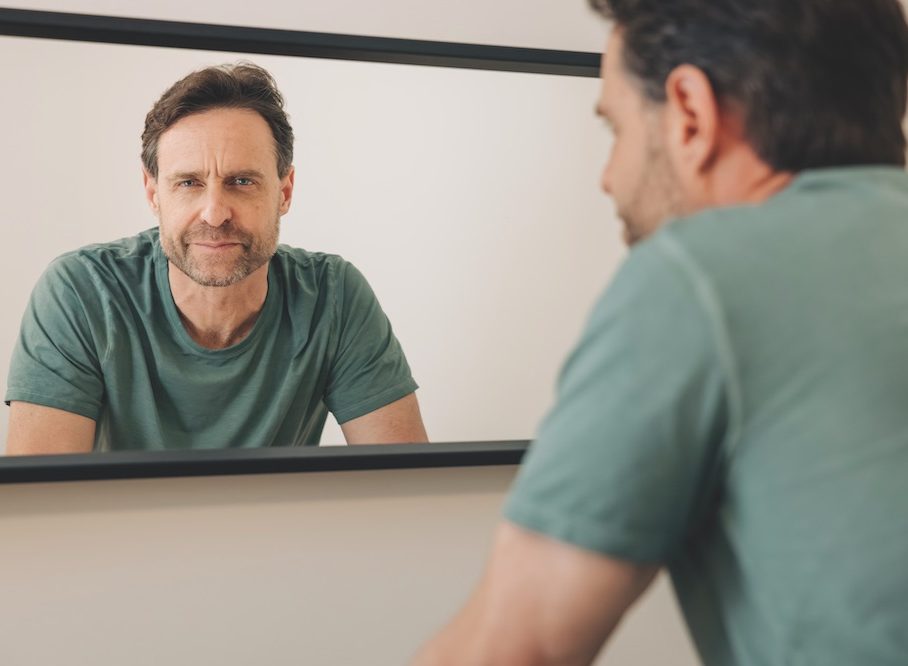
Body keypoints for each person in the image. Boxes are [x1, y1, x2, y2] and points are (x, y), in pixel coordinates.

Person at [414, 0, 908, 664]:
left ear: (691, 115)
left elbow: (514, 648)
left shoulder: (700, 276)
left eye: (615, 129)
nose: (608, 178)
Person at [5, 63, 428, 454]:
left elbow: (407, 488)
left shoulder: (333, 296)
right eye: (188, 182)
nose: (214, 213)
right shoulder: (80, 292)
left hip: (281, 536)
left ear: (284, 191)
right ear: (154, 194)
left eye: (241, 181)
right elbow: (41, 508)